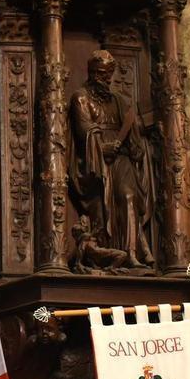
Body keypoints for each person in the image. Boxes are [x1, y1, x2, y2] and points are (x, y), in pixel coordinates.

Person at [70, 50, 156, 268]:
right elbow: (84, 130)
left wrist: (131, 140)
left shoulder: (118, 100)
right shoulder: (81, 97)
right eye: (101, 74)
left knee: (128, 196)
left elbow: (131, 130)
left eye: (109, 74)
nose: (106, 79)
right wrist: (101, 148)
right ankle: (113, 252)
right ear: (91, 72)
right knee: (106, 202)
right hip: (96, 162)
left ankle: (131, 254)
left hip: (120, 157)